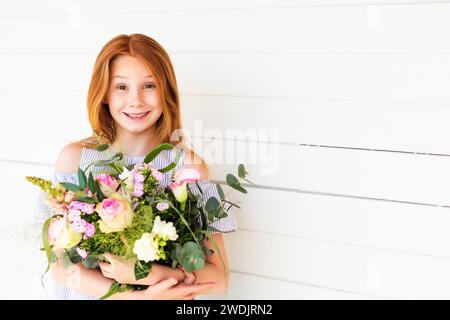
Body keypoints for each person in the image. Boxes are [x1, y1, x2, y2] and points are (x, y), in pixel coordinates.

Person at [35, 33, 237, 300]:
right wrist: (132, 296)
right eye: (121, 87)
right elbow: (60, 266)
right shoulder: (76, 159)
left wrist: (154, 274)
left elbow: (219, 278)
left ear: (166, 92)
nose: (136, 100)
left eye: (149, 86)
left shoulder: (185, 166)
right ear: (104, 93)